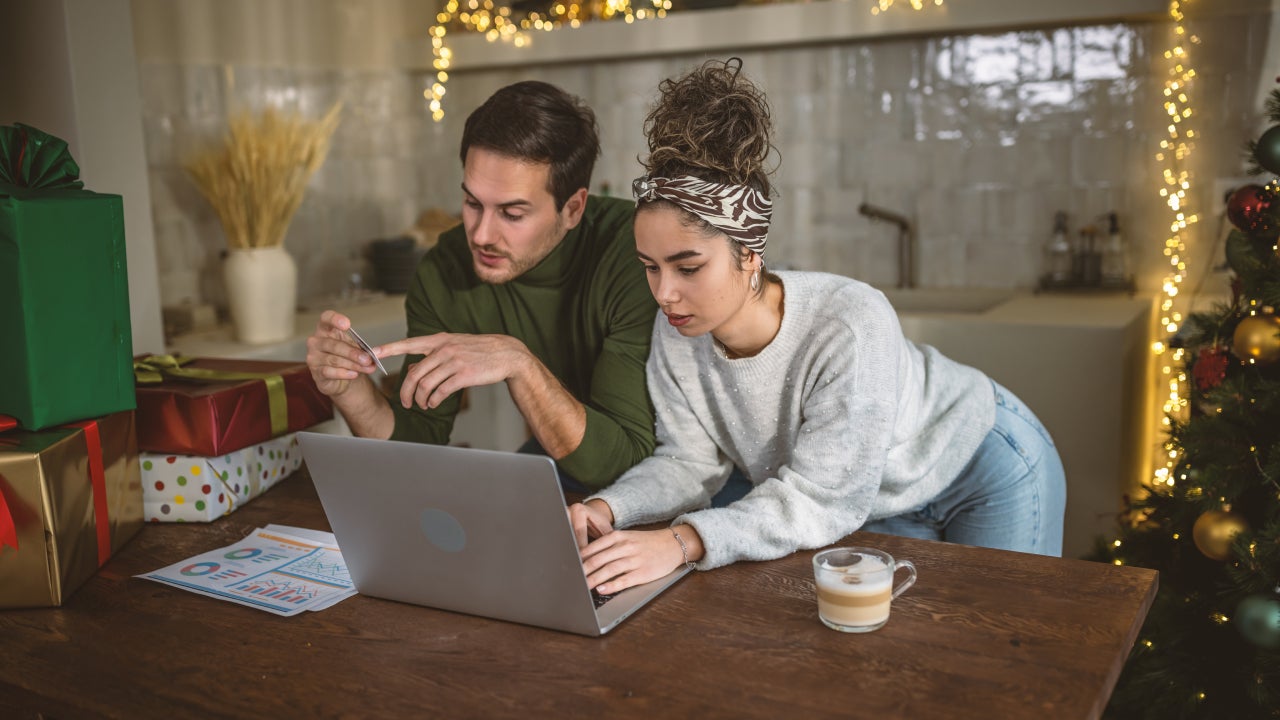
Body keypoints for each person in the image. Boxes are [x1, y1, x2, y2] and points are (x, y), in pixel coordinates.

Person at [569, 58, 1067, 596]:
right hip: (871, 496)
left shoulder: (850, 322)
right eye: (650, 266)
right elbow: (689, 462)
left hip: (983, 468)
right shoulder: (676, 333)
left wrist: (682, 542)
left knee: (1005, 643)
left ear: (749, 255)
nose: (664, 293)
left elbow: (820, 499)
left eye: (688, 267)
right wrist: (608, 507)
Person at [305, 81, 657, 490]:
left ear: (573, 208)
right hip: (576, 461)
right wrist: (351, 392)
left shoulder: (638, 252)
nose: (481, 235)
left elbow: (624, 464)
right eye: (473, 204)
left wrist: (519, 363)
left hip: (686, 466)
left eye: (512, 213)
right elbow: (415, 445)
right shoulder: (446, 269)